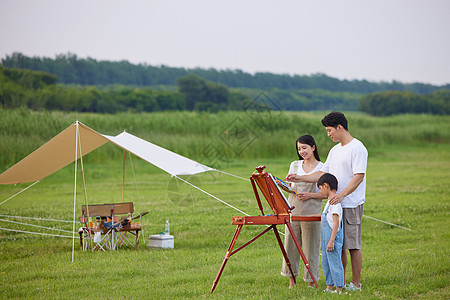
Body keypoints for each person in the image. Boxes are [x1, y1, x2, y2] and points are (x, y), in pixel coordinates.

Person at [286, 111, 368, 291]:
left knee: (352, 245)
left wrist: (342, 195)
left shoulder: (357, 148)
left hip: (351, 203)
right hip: (334, 204)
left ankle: (356, 284)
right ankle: (341, 282)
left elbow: (358, 177)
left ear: (340, 127)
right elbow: (322, 174)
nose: (328, 134)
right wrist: (301, 178)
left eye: (330, 130)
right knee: (338, 245)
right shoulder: (335, 150)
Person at [281, 135, 323, 288]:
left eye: (304, 147)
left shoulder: (322, 167)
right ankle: (292, 281)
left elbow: (325, 194)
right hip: (293, 210)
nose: (301, 151)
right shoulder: (294, 164)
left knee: (311, 248)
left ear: (313, 147)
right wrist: (283, 185)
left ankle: (311, 282)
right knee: (290, 247)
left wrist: (310, 195)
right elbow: (291, 187)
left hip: (312, 212)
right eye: (299, 149)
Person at [313, 173, 344, 294]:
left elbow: (336, 223)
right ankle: (329, 286)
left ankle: (339, 288)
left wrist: (331, 241)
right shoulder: (329, 202)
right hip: (326, 240)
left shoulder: (335, 203)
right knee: (326, 263)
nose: (321, 192)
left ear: (325, 186)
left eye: (320, 189)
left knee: (335, 263)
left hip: (332, 239)